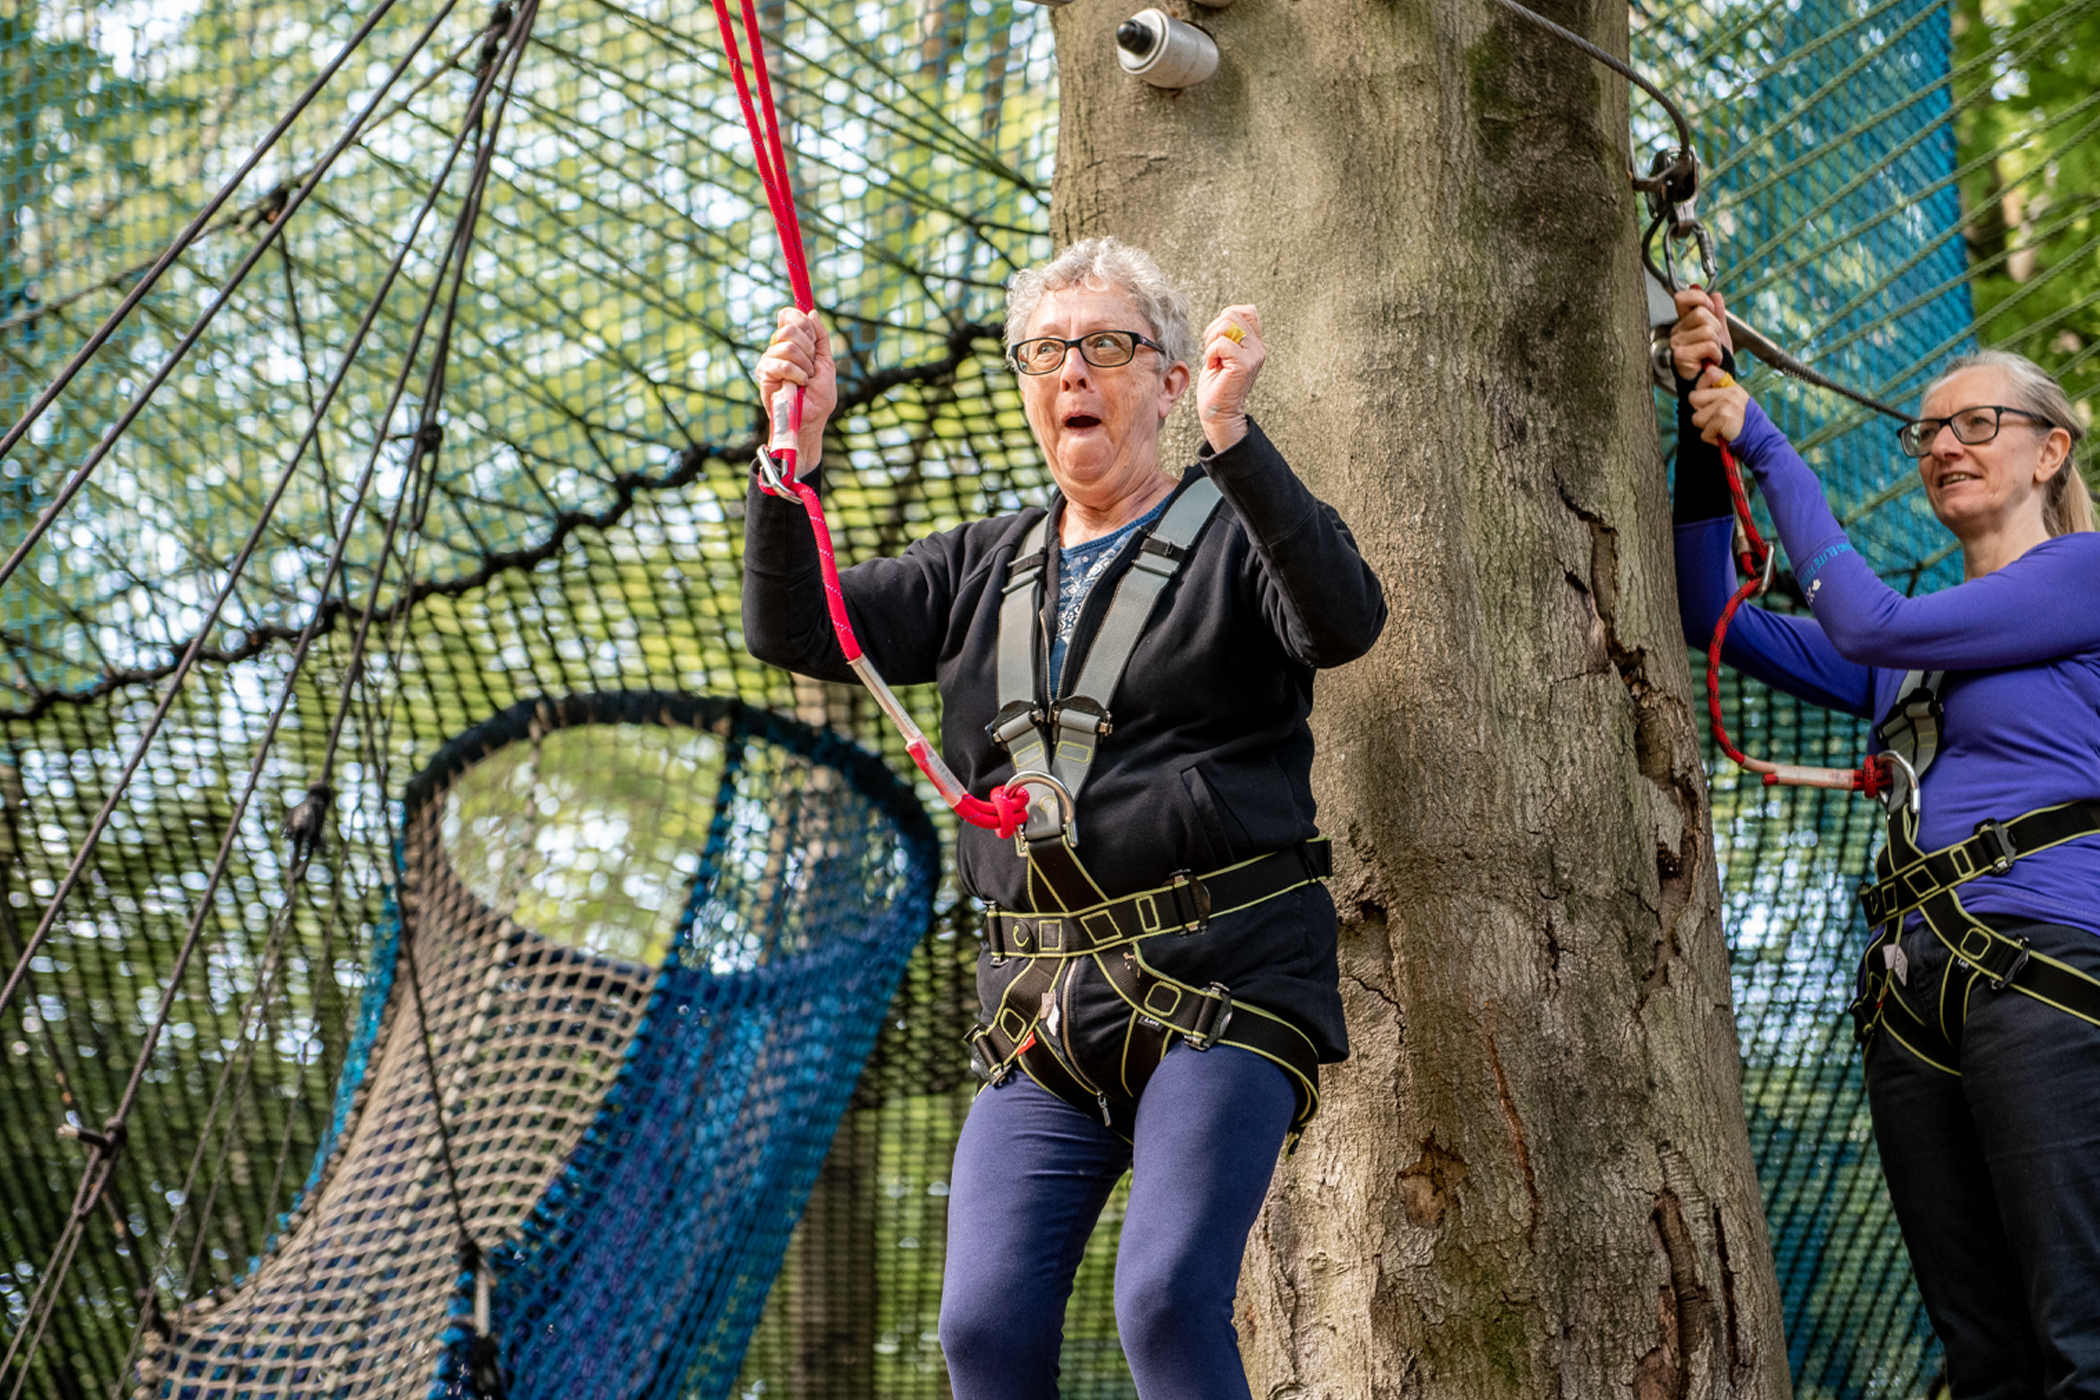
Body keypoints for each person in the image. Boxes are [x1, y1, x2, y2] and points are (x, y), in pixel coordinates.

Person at [742, 237, 1385, 1400]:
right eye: (1046, 350)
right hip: (1044, 1014)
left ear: (1170, 376)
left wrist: (1239, 444)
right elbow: (798, 627)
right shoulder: (978, 568)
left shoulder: (1237, 533)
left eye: (1105, 345)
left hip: (1225, 982)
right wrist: (793, 454)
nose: (1073, 372)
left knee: (1165, 1298)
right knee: (982, 1329)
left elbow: (1342, 622)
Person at [1670, 285, 2100, 1400]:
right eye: (1928, 432)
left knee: (2079, 1334)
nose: (1944, 445)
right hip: (1915, 995)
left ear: (2052, 450)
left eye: (1977, 424)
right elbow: (1703, 605)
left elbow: (1863, 616)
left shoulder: (2086, 575)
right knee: (1983, 1354)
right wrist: (1692, 420)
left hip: (2047, 970)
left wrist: (1761, 438)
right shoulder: (1913, 658)